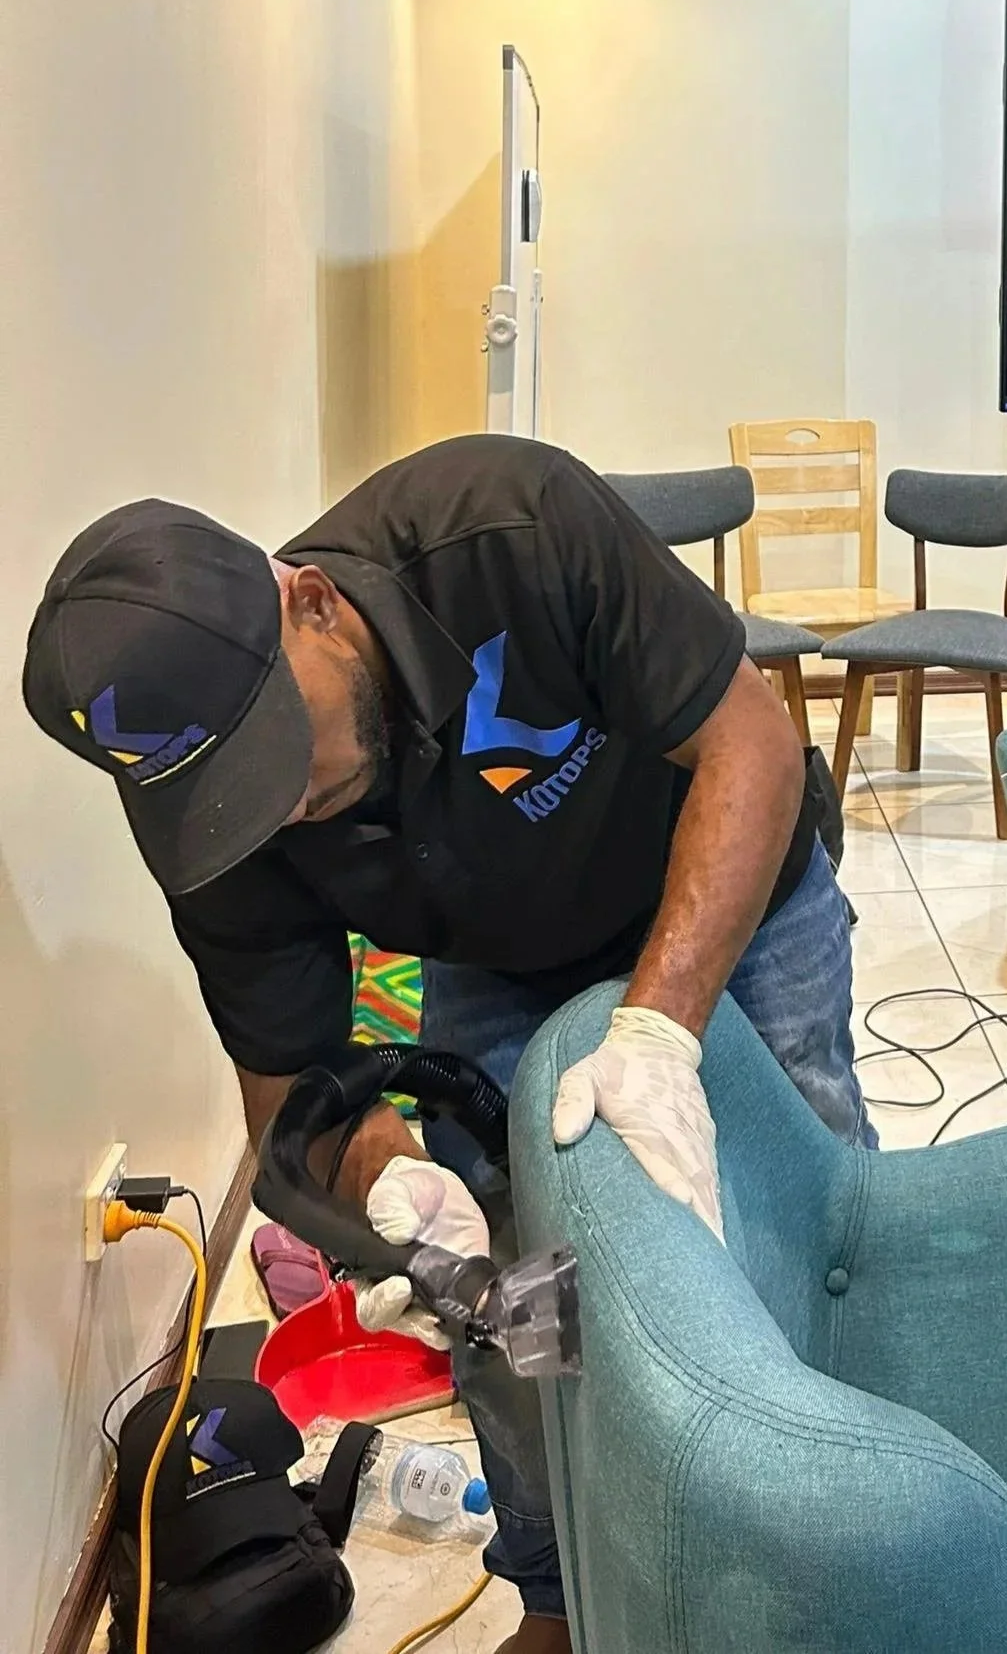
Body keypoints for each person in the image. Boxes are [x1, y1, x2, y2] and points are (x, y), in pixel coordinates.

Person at [23, 435, 874, 1653]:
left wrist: (658, 1030)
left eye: (285, 752)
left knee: (807, 1225)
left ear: (307, 599)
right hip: (496, 961)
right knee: (511, 1312)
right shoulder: (219, 834)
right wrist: (390, 1183)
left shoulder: (506, 530)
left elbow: (750, 743)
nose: (287, 804)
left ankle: (850, 1548)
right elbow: (297, 1099)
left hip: (730, 880)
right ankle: (554, 1595)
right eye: (237, 793)